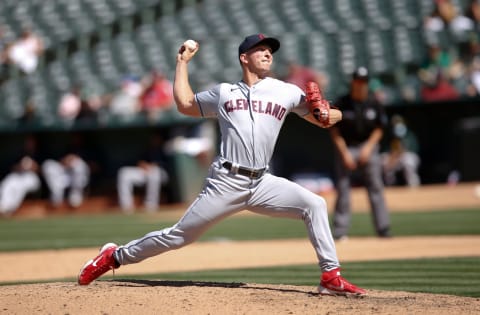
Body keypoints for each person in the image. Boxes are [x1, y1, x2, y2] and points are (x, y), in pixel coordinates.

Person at [77, 34, 366, 296]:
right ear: (244, 57)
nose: (268, 54)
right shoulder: (224, 93)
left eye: (270, 50)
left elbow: (325, 119)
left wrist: (326, 111)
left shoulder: (286, 91)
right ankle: (114, 256)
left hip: (263, 182)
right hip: (226, 181)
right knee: (179, 236)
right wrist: (182, 63)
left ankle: (330, 276)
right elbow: (185, 104)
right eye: (261, 49)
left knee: (314, 204)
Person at [329, 66, 391, 240]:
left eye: (364, 81)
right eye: (358, 81)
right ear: (353, 82)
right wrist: (344, 153)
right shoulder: (342, 103)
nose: (361, 84)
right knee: (342, 189)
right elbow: (334, 131)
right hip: (346, 148)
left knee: (376, 187)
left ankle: (383, 228)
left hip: (367, 147)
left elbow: (380, 128)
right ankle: (340, 231)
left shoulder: (374, 102)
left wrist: (368, 148)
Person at [117, 132, 169, 213]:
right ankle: (126, 206)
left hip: (161, 174)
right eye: (153, 138)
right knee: (124, 172)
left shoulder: (165, 149)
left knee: (154, 172)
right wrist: (143, 164)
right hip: (146, 172)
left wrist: (153, 166)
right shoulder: (148, 150)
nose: (155, 140)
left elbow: (165, 163)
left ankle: (151, 205)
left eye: (157, 138)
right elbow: (139, 161)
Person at [41, 134, 91, 208]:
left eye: (77, 138)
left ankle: (76, 194)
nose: (75, 139)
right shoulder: (68, 148)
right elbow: (58, 161)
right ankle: (56, 196)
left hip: (78, 178)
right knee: (48, 165)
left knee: (78, 165)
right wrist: (66, 161)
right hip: (65, 175)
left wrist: (75, 160)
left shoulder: (88, 149)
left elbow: (94, 165)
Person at [0, 135, 41, 216]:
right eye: (27, 142)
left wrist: (34, 167)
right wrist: (20, 167)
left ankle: (11, 208)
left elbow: (43, 170)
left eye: (31, 142)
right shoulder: (21, 154)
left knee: (21, 186)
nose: (29, 144)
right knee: (8, 182)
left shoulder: (39, 153)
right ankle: (2, 207)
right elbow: (12, 167)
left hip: (33, 178)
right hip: (20, 175)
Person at [382, 115, 421, 187]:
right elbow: (386, 151)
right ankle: (390, 185)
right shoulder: (390, 136)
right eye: (395, 123)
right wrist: (392, 158)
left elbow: (413, 151)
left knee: (408, 160)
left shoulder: (409, 135)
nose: (397, 124)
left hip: (405, 158)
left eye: (399, 122)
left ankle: (413, 185)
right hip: (394, 159)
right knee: (384, 161)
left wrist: (398, 153)